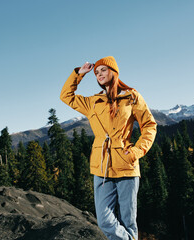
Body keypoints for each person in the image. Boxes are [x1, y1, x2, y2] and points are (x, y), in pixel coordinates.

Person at [60, 56, 157, 240]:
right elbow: (66, 96)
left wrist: (136, 151)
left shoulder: (131, 96)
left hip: (127, 165)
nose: (99, 74)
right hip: (101, 166)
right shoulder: (92, 102)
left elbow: (150, 126)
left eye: (103, 70)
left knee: (128, 222)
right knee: (105, 221)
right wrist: (78, 75)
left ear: (114, 72)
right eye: (96, 72)